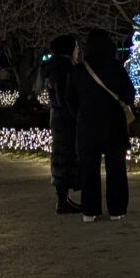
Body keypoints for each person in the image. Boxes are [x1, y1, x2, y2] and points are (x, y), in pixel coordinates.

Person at [67, 29, 135, 222]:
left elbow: (69, 99)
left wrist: (81, 114)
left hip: (88, 126)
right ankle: (117, 209)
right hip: (114, 125)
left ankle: (90, 210)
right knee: (116, 169)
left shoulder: (80, 70)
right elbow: (129, 95)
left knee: (89, 169)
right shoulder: (116, 68)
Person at [43, 35, 82, 213]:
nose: (78, 50)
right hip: (66, 119)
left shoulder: (53, 67)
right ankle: (62, 200)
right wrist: (76, 112)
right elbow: (65, 97)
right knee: (66, 154)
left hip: (58, 116)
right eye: (76, 47)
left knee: (61, 154)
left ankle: (63, 198)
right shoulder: (64, 69)